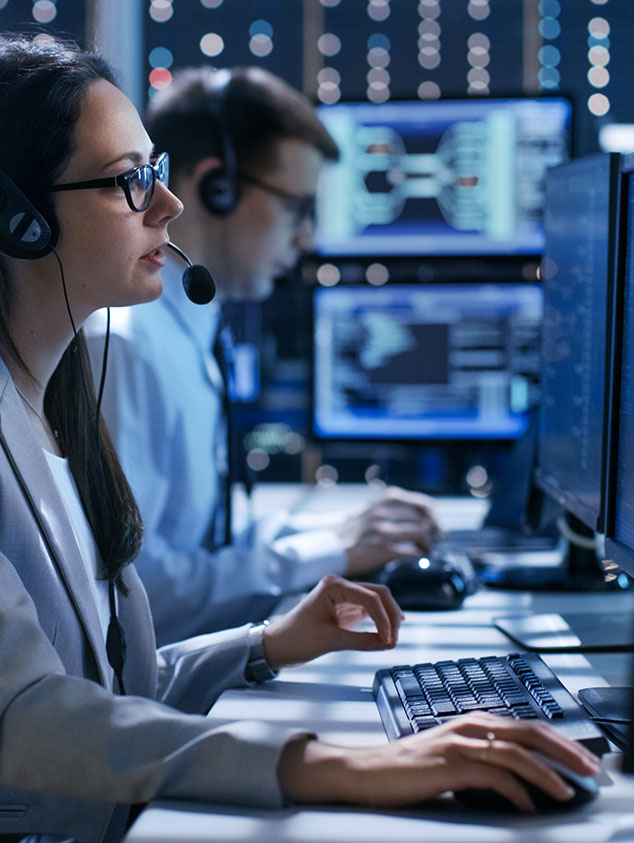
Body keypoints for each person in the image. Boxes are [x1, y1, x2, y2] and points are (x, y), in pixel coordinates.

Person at [0, 33, 600, 843]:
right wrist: (334, 761)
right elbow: (26, 717)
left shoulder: (61, 396)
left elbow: (109, 682)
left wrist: (266, 643)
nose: (166, 205)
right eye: (129, 181)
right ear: (22, 219)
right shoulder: (97, 369)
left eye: (159, 171)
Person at [84, 64, 441, 646]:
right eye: (297, 209)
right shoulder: (123, 349)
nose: (307, 239)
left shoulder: (192, 331)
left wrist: (340, 533)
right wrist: (332, 549)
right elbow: (136, 597)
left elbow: (208, 537)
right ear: (216, 188)